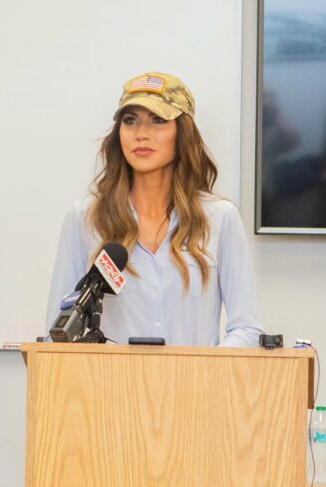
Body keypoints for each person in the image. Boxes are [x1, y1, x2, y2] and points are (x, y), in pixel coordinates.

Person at [46, 72, 264, 347]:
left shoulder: (220, 218)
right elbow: (57, 333)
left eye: (158, 120)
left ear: (182, 133)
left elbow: (247, 328)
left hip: (196, 388)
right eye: (130, 121)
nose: (141, 134)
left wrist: (203, 374)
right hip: (111, 388)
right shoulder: (86, 217)